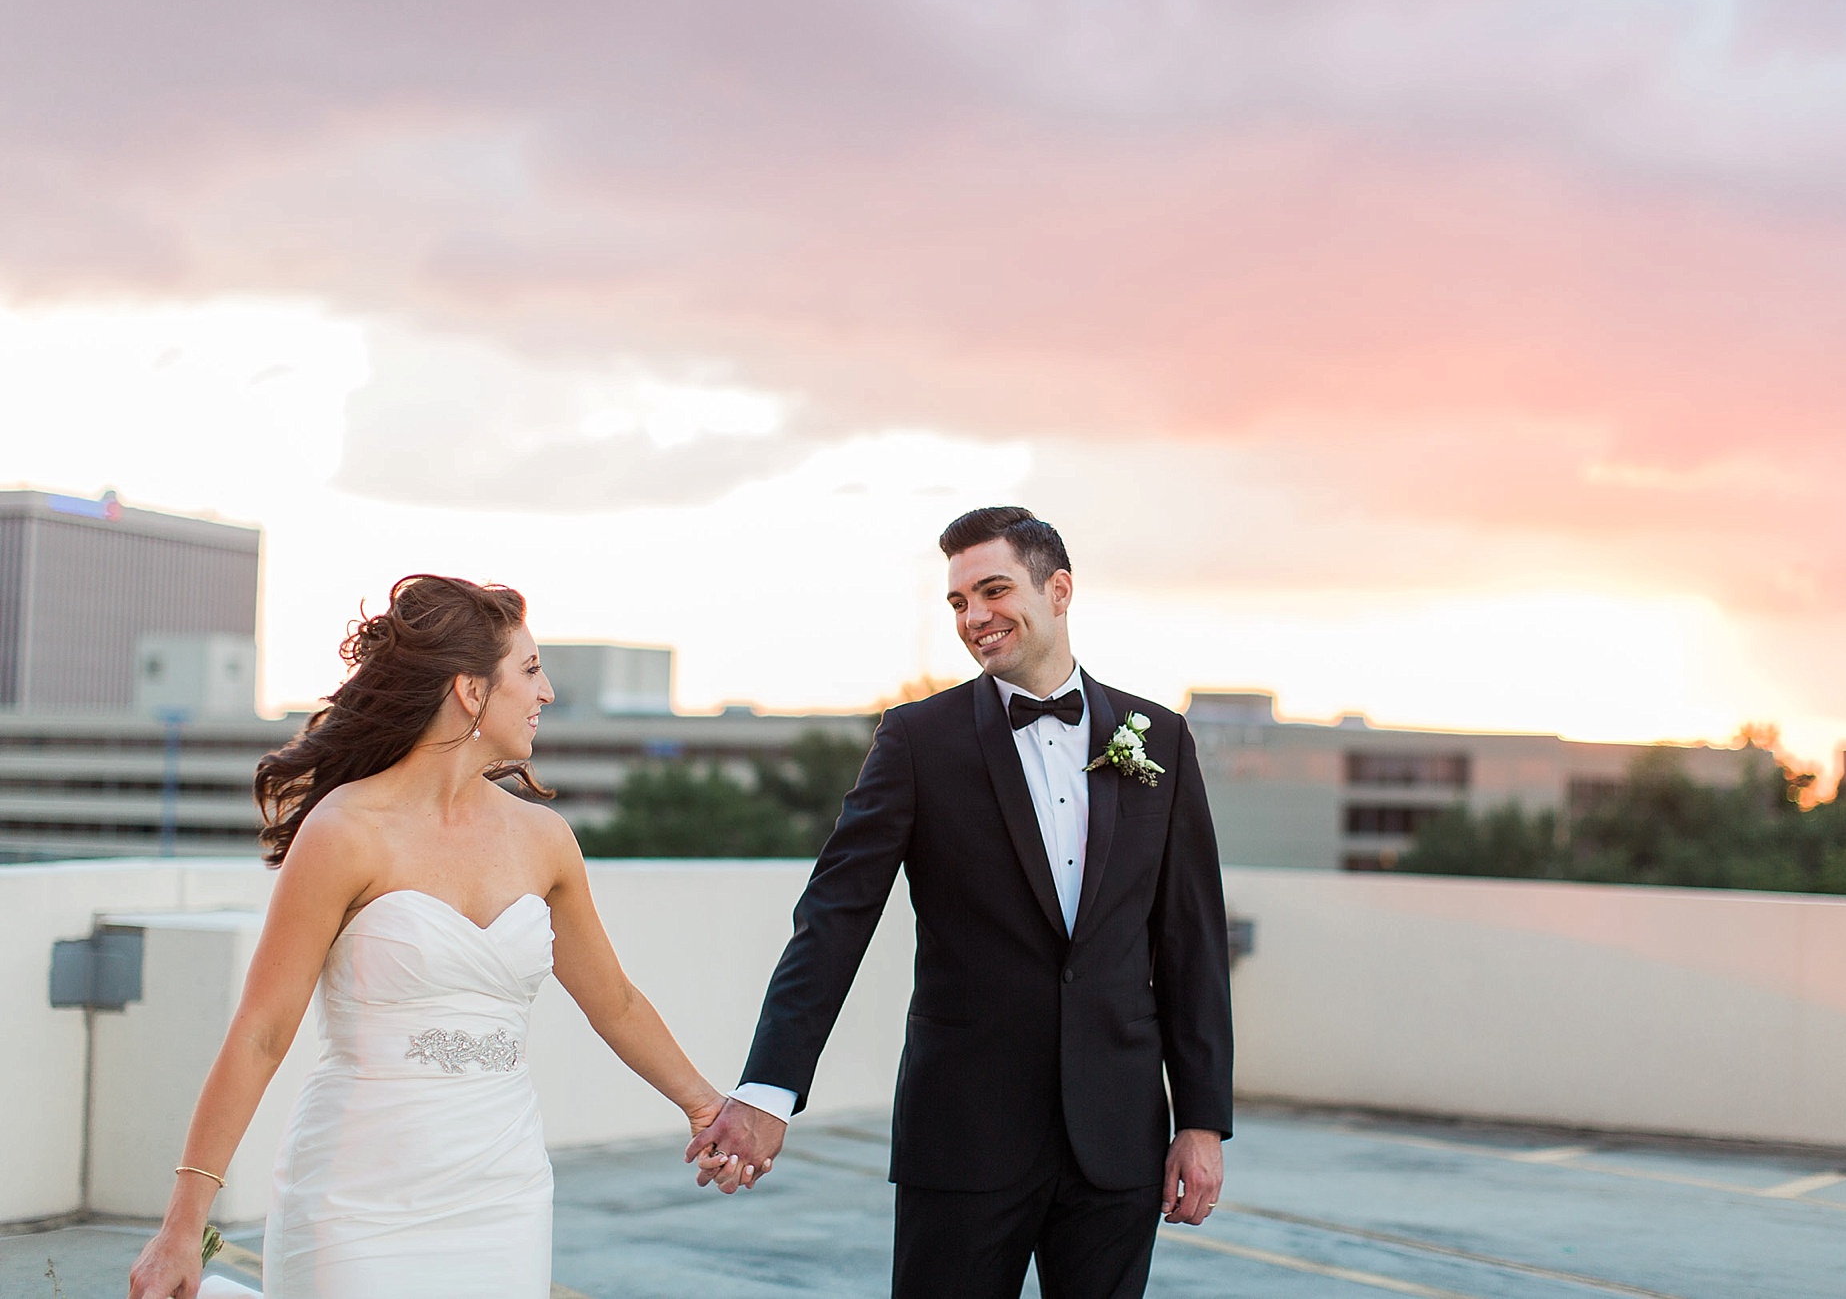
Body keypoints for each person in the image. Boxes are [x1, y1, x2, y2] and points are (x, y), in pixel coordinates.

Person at [129, 575, 727, 1299]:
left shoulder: (545, 840)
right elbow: (261, 1032)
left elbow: (617, 1003)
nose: (548, 694)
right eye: (531, 671)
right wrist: (181, 1227)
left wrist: (706, 1106)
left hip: (503, 1196)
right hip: (356, 1201)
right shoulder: (345, 833)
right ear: (471, 691)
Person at [692, 507, 1234, 1299]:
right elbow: (834, 920)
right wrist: (769, 1088)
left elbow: (1192, 943)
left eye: (992, 590)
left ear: (1059, 589)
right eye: (957, 603)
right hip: (965, 1135)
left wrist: (1200, 1120)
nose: (974, 618)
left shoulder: (1158, 737)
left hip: (1118, 1138)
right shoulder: (917, 741)